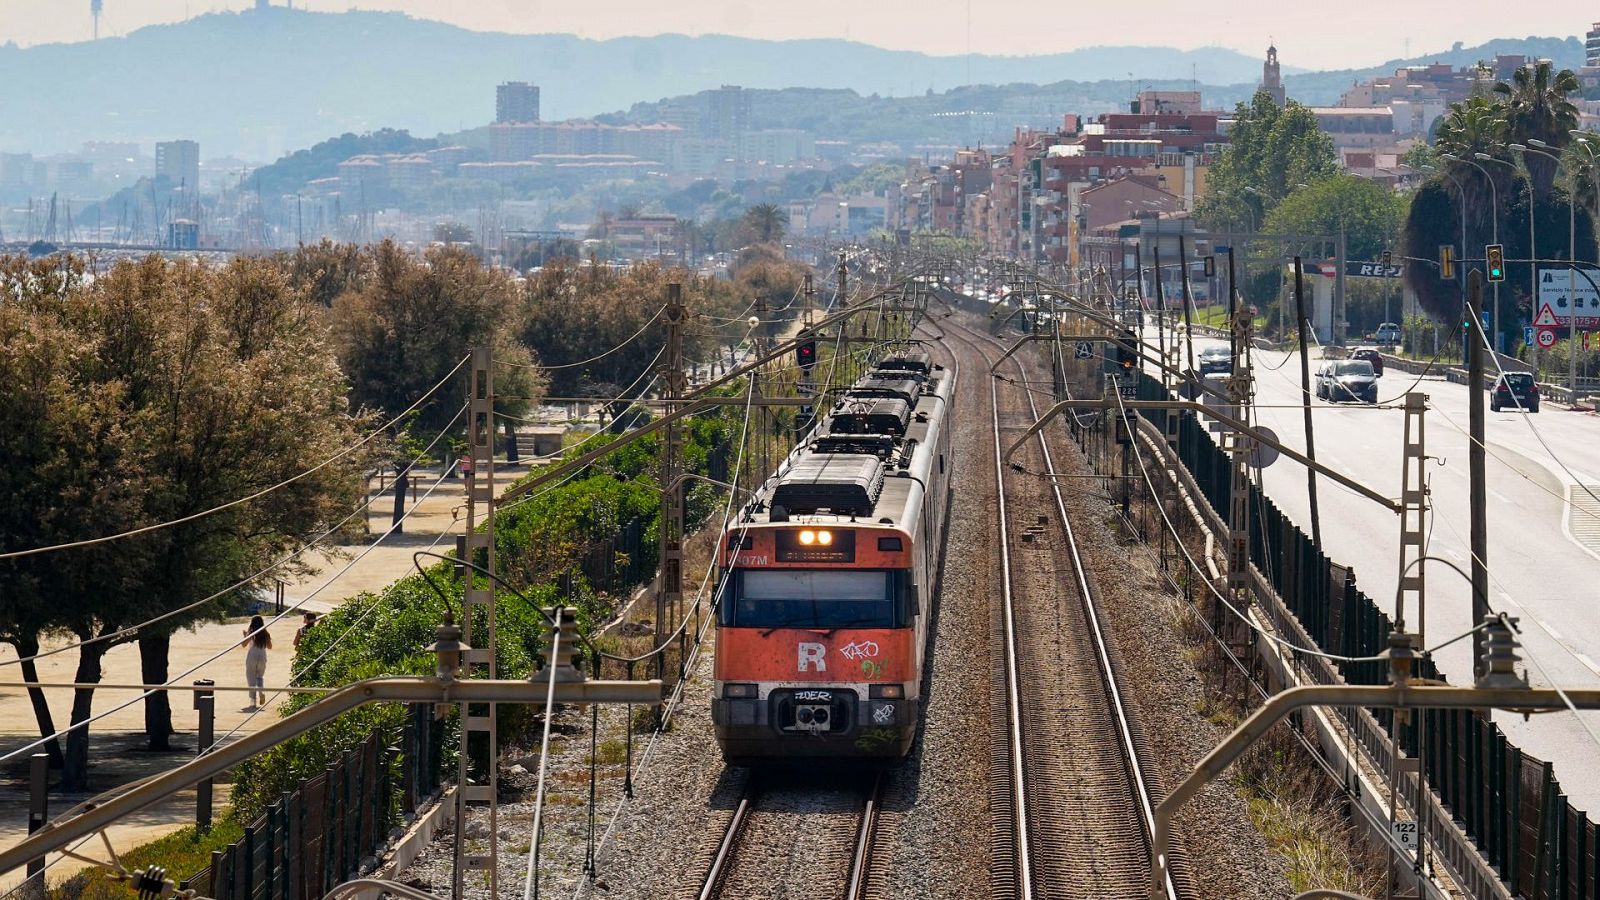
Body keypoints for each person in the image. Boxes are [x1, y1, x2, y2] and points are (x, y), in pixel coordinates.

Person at [240, 615, 272, 711]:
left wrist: (245, 635)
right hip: (262, 655)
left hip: (252, 655)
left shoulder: (251, 632)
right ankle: (261, 691)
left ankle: (253, 702)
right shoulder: (265, 633)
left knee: (251, 678)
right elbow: (270, 646)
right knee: (259, 677)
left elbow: (243, 644)